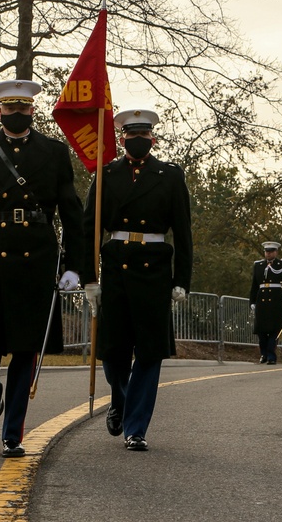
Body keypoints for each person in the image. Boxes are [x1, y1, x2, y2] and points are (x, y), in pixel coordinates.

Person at [0, 79, 84, 458]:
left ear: (32, 111)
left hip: (37, 259)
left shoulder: (54, 152)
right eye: (10, 108)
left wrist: (77, 267)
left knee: (26, 350)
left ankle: (12, 432)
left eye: (23, 109)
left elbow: (72, 214)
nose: (17, 114)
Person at [81, 108, 193, 451]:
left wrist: (181, 281)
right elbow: (90, 230)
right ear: (122, 139)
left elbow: (184, 232)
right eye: (132, 137)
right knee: (113, 353)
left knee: (149, 352)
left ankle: (136, 427)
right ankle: (121, 397)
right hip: (115, 269)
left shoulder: (170, 175)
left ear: (153, 139)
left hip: (155, 271)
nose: (139, 141)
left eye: (144, 136)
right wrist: (89, 278)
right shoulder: (106, 174)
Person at [249, 242, 282, 365]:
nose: (268, 254)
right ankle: (263, 354)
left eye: (271, 251)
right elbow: (255, 286)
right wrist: (252, 301)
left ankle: (271, 356)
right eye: (267, 251)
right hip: (262, 301)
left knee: (274, 330)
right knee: (261, 331)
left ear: (276, 252)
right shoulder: (259, 265)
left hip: (276, 301)